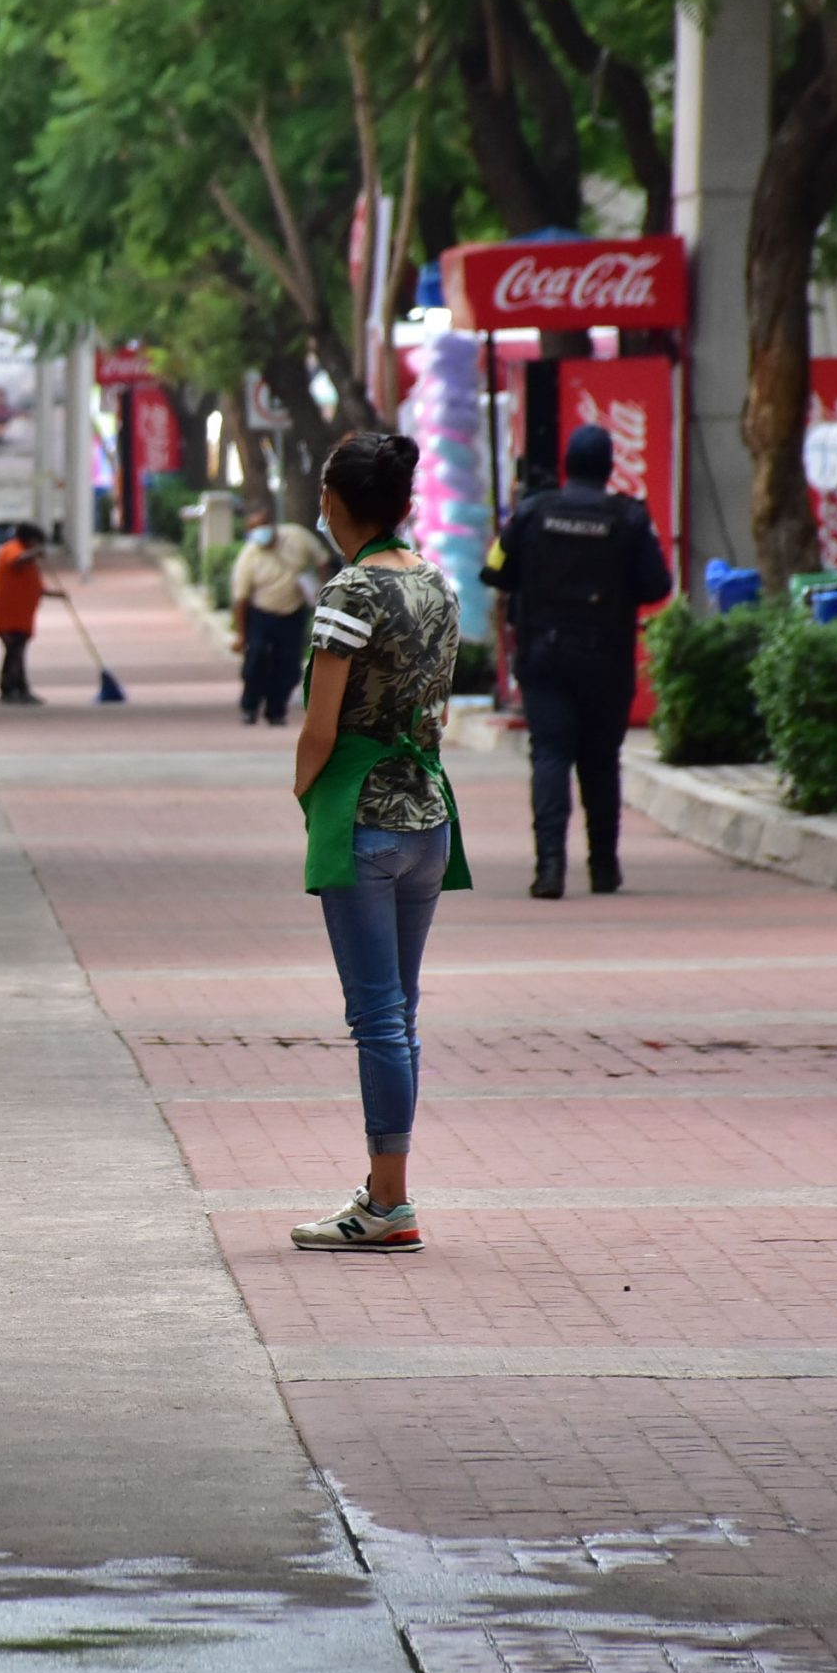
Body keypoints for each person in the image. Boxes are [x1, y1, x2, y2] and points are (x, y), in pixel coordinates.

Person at [289, 432, 470, 1254]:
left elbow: (319, 728)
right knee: (401, 1012)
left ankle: (388, 1202)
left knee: (377, 1019)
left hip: (361, 817)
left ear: (336, 503)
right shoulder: (436, 583)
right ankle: (384, 1188)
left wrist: (303, 790)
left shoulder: (348, 591)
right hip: (428, 815)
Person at [481, 423, 673, 899]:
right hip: (607, 660)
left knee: (550, 755)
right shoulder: (628, 518)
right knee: (601, 761)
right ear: (610, 467)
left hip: (544, 656)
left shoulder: (532, 512)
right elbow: (657, 586)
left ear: (567, 465)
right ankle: (604, 868)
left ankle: (549, 869)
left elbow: (494, 570)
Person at [228, 502, 324, 725]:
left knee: (289, 666)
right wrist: (241, 636)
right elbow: (240, 600)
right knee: (256, 659)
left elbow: (322, 559)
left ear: (272, 525)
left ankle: (276, 709)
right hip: (262, 615)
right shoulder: (249, 556)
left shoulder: (297, 537)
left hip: (293, 613)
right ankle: (249, 706)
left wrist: (321, 586)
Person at [0, 521, 64, 704]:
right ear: (31, 540)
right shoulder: (12, 549)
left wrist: (56, 594)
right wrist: (35, 553)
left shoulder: (28, 559)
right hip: (9, 615)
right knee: (14, 653)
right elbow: (16, 562)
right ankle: (10, 690)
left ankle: (20, 689)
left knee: (17, 653)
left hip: (21, 616)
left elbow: (34, 587)